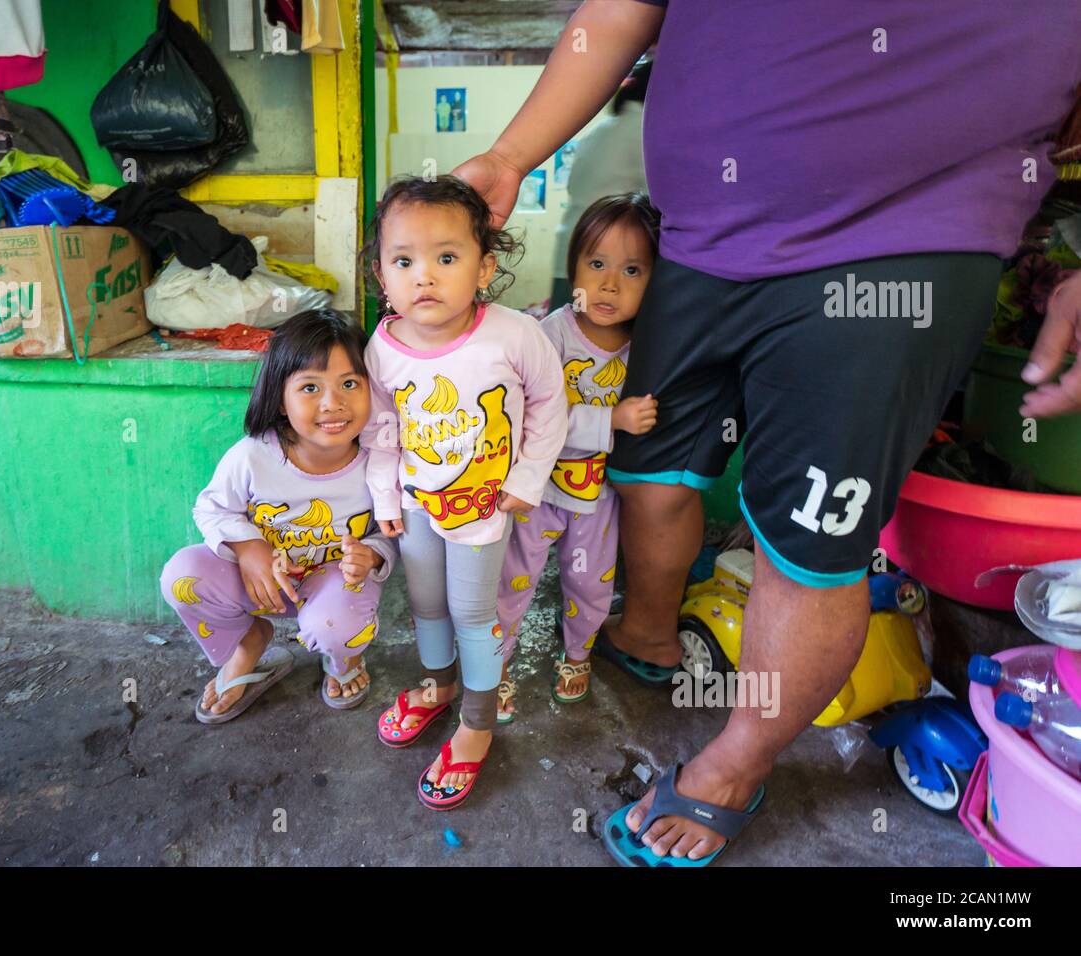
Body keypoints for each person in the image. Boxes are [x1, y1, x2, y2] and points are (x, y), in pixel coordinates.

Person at [454, 0, 1081, 865]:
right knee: (654, 464)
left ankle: (735, 766)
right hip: (702, 241)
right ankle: (647, 630)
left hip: (901, 246)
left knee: (810, 544)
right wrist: (512, 154)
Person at [360, 174, 568, 810]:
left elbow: (550, 407)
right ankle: (439, 684)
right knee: (424, 599)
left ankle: (477, 723)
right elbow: (382, 430)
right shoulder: (383, 348)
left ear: (484, 268)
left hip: (484, 506)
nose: (424, 276)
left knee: (472, 612)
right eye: (404, 261)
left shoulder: (513, 335)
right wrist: (388, 500)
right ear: (381, 276)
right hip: (419, 502)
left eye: (446, 257)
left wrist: (527, 482)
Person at [159, 310, 396, 723]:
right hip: (264, 584)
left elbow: (392, 531)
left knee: (333, 624)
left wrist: (372, 555)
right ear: (280, 400)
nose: (332, 403)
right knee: (182, 576)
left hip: (334, 587)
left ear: (372, 389)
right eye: (309, 387)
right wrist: (249, 548)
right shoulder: (253, 455)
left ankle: (343, 660)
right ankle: (248, 644)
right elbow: (212, 508)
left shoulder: (380, 464)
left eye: (350, 383)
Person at [496, 193, 660, 721]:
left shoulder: (647, 347)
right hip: (537, 490)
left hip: (597, 495)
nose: (610, 284)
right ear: (574, 269)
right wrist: (608, 420)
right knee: (514, 578)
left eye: (632, 269)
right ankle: (492, 666)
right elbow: (534, 420)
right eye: (597, 264)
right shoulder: (548, 336)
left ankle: (577, 655)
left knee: (591, 582)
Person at [550, 56, 651, 308]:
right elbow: (658, 202)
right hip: (605, 257)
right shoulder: (644, 132)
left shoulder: (600, 132)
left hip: (572, 247)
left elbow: (574, 186)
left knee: (564, 336)